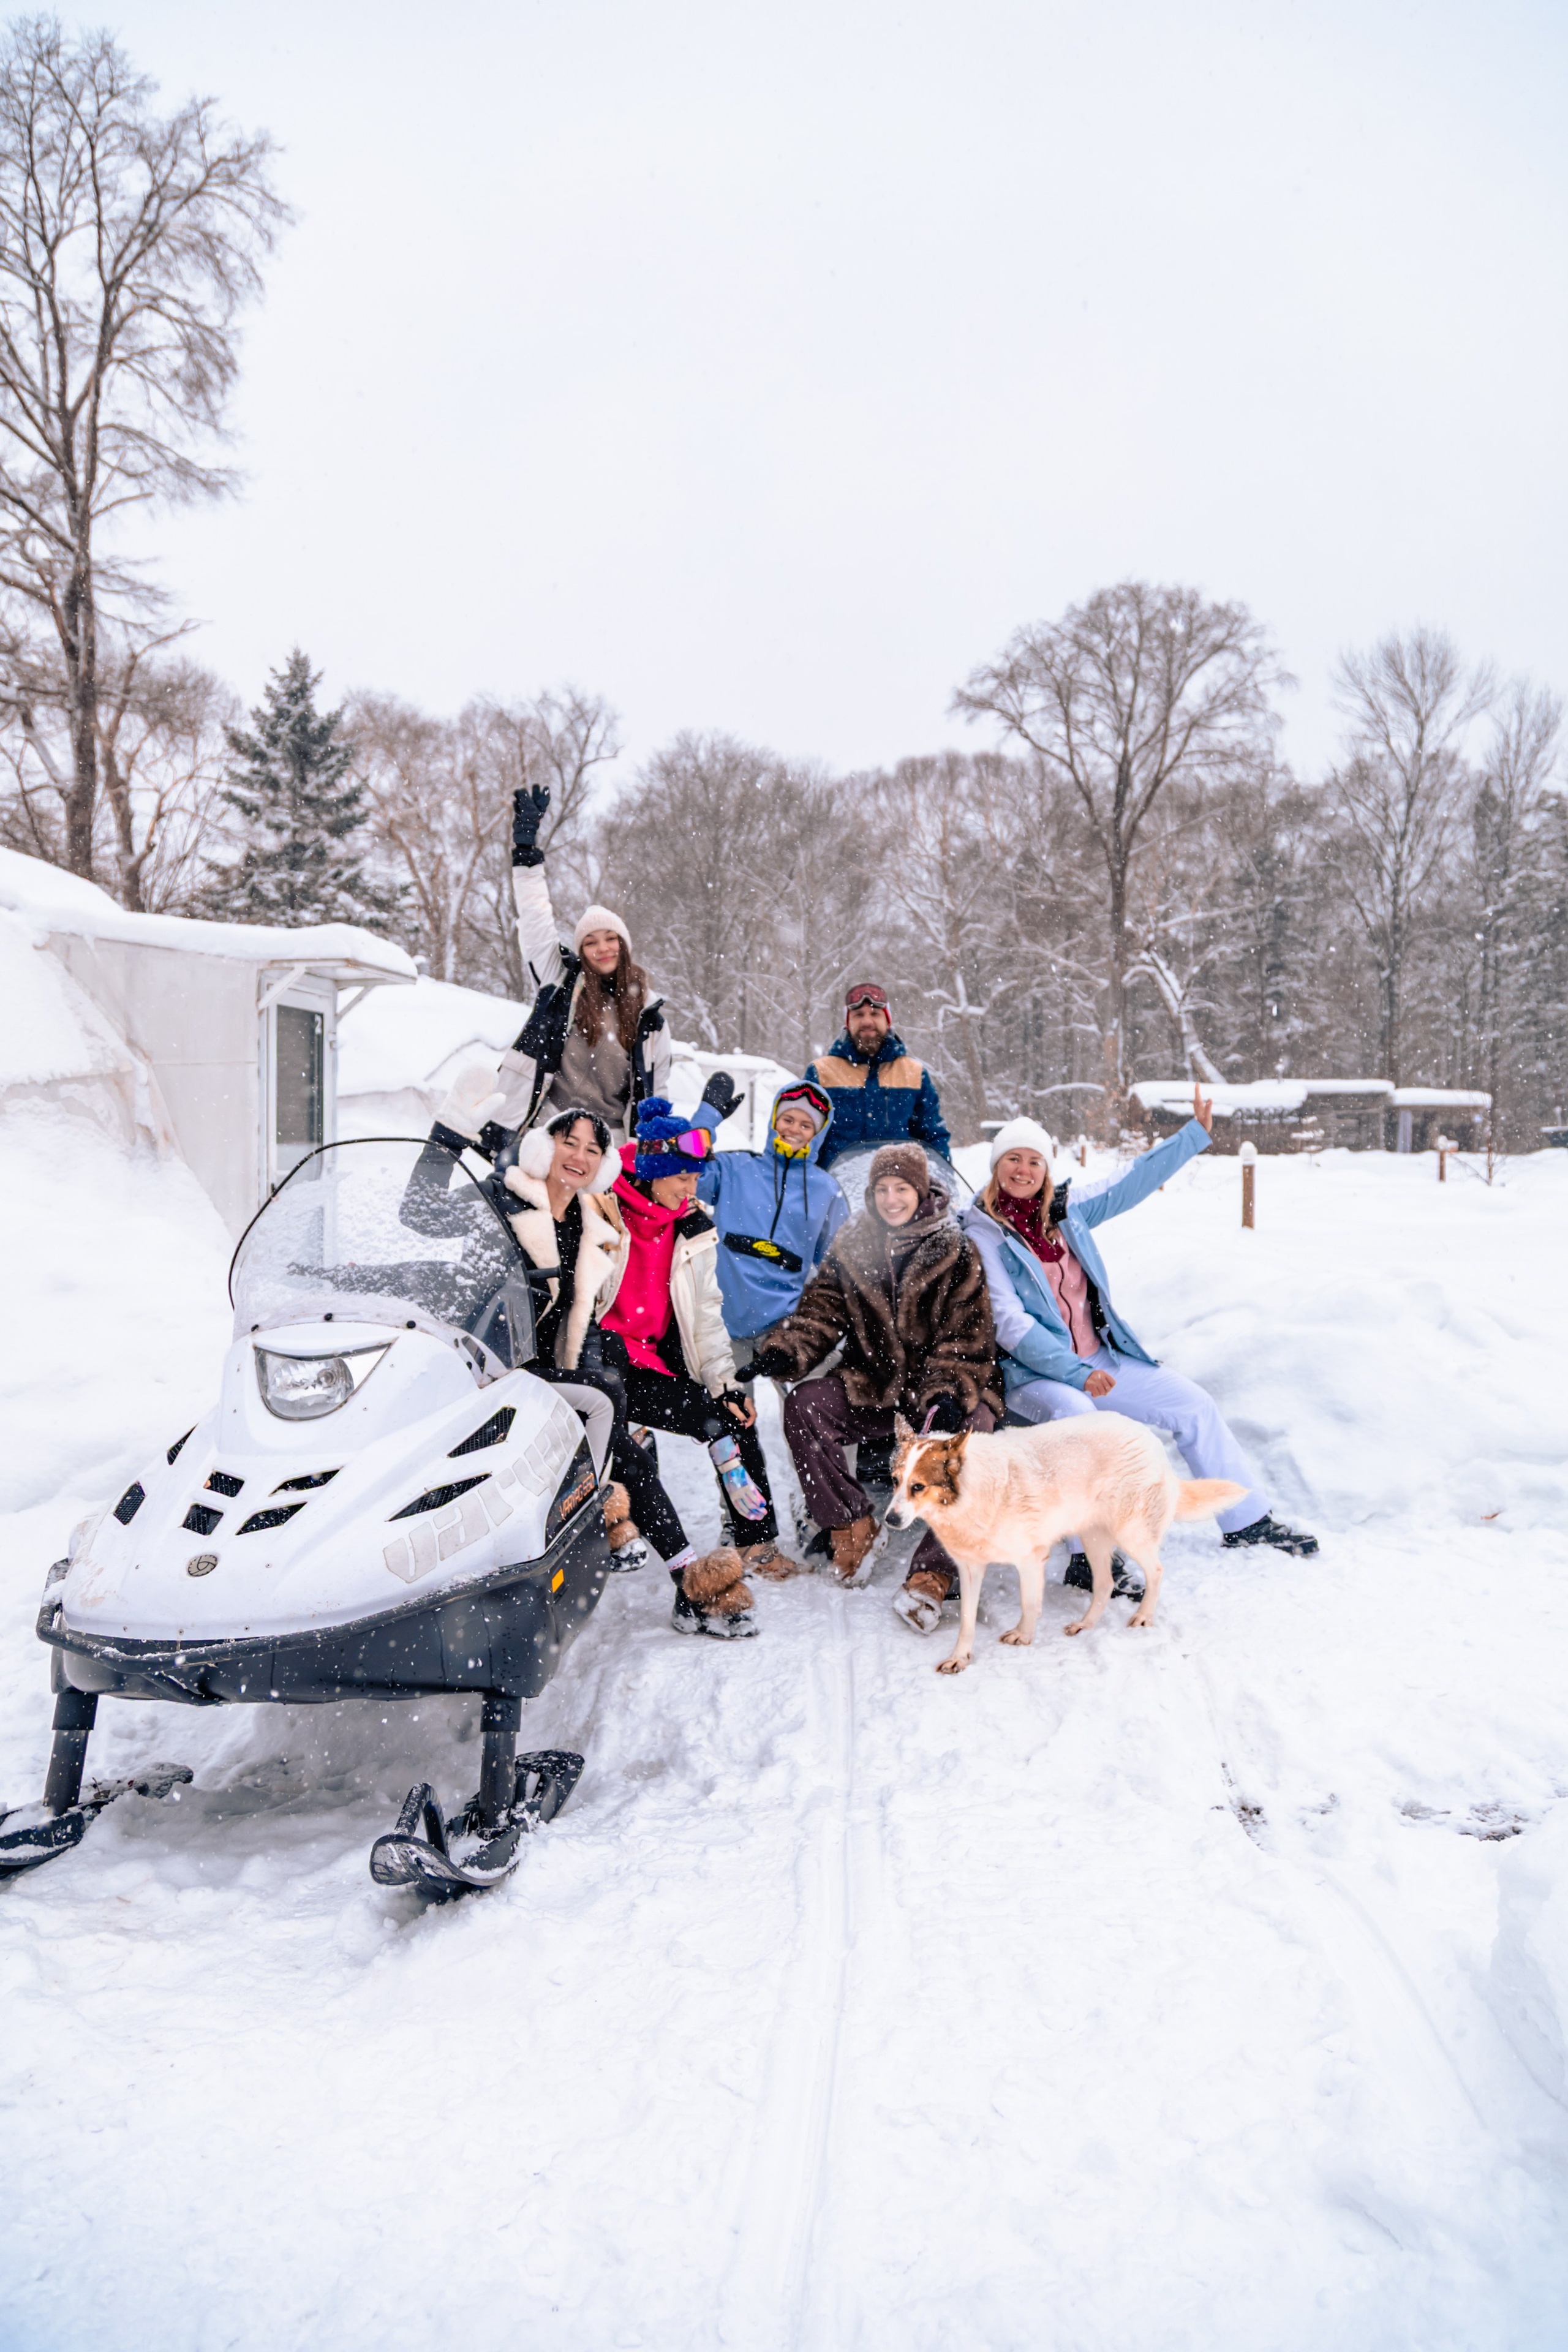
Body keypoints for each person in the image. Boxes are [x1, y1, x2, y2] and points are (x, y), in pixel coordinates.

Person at [961, 1096, 1317, 1581]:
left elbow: (1130, 1182)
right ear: (996, 1166)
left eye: (1033, 1161)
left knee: (1193, 1405)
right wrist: (1077, 1374)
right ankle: (1089, 1558)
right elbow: (1011, 1324)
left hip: (1101, 1361)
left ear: (1046, 1169)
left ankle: (1247, 1520)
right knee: (1079, 1421)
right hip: (1035, 1377)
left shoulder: (1066, 1211)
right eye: (1012, 1160)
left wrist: (1193, 1134)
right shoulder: (983, 1231)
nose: (1023, 1170)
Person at [750, 1142, 1001, 1633]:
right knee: (805, 1406)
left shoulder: (955, 1248)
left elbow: (969, 1335)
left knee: (979, 1434)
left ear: (922, 1191)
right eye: (882, 1189)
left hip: (941, 1393)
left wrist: (948, 1392)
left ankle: (933, 1572)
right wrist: (790, 1350)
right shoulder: (853, 1242)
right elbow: (822, 1308)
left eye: (901, 1189)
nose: (891, 1199)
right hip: (878, 1385)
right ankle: (852, 1524)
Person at [599, 1097, 801, 1632]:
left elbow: (708, 1312)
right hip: (601, 1361)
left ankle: (755, 1541)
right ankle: (689, 1581)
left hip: (652, 1365)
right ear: (652, 1173)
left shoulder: (690, 1225)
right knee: (630, 1455)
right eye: (682, 1179)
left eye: (695, 1178)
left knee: (730, 1418)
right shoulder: (602, 1206)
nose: (692, 1190)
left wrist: (723, 1385)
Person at [430, 780, 671, 1158]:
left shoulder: (650, 1016)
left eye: (610, 939)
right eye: (590, 942)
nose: (601, 948)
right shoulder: (563, 983)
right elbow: (536, 918)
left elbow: (657, 1088)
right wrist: (527, 854)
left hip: (606, 1146)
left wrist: (649, 1149)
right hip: (544, 1130)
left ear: (624, 945)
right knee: (512, 1213)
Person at [687, 1074, 849, 1366]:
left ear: (818, 1133)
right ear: (774, 1120)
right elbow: (685, 1167)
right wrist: (707, 1117)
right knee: (729, 1410)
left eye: (806, 1125)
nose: (794, 1130)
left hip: (786, 1328)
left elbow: (838, 1264)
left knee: (815, 1402)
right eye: (788, 1120)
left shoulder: (827, 1190)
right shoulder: (735, 1168)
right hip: (723, 1322)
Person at [805, 983, 950, 1168]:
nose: (867, 1021)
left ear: (887, 1020)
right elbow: (805, 1138)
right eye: (858, 1015)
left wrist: (939, 1183)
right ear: (848, 1023)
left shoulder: (914, 1073)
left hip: (897, 1191)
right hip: (835, 1191)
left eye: (875, 1014)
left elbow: (934, 1137)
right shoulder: (820, 1073)